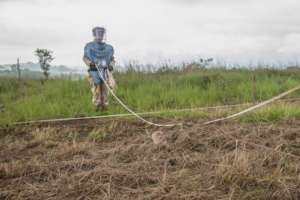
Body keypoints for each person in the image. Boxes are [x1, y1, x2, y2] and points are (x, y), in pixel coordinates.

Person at [83, 27, 116, 111]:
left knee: (105, 88)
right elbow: (85, 58)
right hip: (94, 71)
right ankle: (97, 106)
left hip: (105, 71)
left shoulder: (108, 48)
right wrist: (90, 64)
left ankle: (104, 105)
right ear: (94, 34)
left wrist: (111, 65)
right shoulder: (89, 46)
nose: (100, 35)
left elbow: (112, 59)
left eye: (101, 33)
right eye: (98, 33)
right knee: (96, 88)